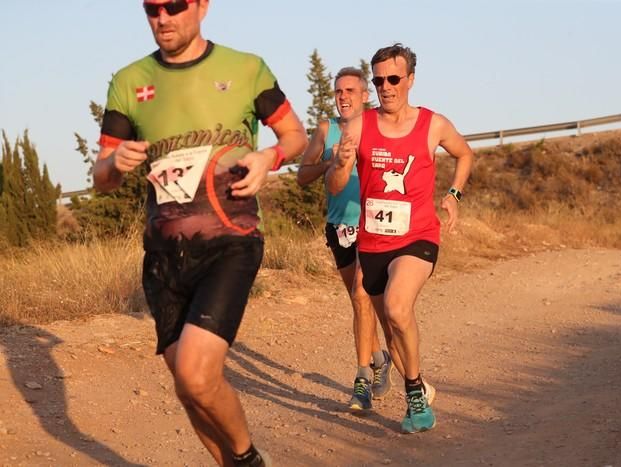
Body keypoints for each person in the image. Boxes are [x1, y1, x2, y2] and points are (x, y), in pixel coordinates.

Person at [93, 1, 307, 465]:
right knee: (189, 390)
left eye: (174, 5)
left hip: (232, 242)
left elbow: (296, 136)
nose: (162, 17)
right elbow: (101, 175)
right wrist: (114, 164)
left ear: (202, 6)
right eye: (152, 8)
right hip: (164, 257)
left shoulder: (246, 68)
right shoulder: (128, 81)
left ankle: (250, 460)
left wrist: (269, 158)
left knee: (195, 374)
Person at [326, 43, 474, 434]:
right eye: (378, 80)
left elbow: (465, 154)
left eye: (393, 78)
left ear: (409, 79)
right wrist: (340, 165)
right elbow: (335, 183)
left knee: (395, 306)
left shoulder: (433, 124)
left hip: (418, 236)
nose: (385, 87)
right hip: (372, 243)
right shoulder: (359, 126)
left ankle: (413, 396)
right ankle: (419, 387)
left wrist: (454, 195)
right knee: (392, 330)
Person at [296, 67, 396, 413]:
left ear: (364, 95)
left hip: (374, 226)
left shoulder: (377, 124)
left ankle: (363, 380)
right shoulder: (326, 129)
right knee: (361, 304)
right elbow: (301, 177)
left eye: (351, 90)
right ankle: (382, 357)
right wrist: (331, 162)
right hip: (339, 228)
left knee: (364, 296)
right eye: (339, 91)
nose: (343, 97)